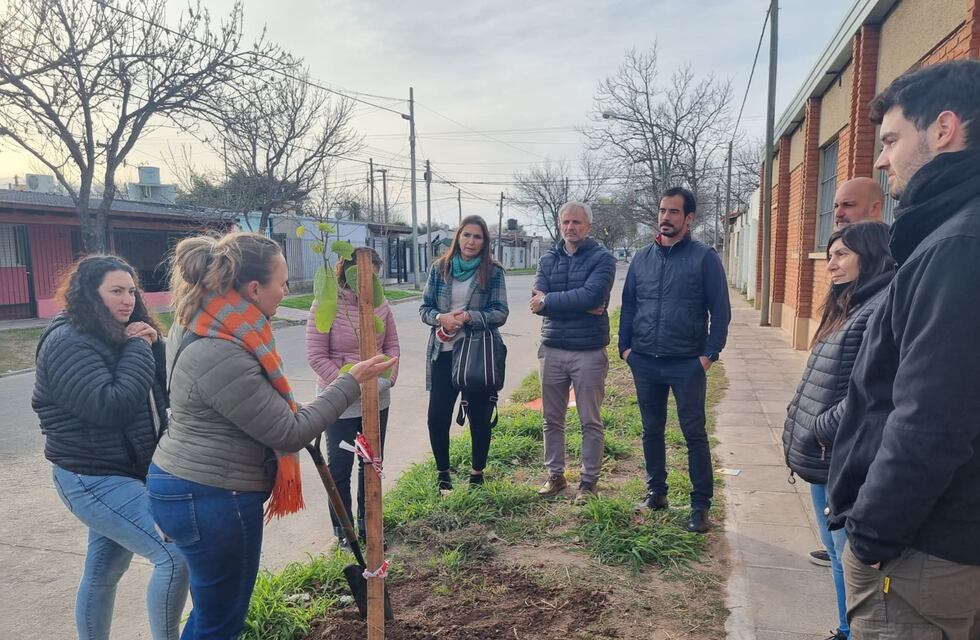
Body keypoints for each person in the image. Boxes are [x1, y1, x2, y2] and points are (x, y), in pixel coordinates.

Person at [147, 232, 394, 639]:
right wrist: (350, 382)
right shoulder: (221, 348)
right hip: (212, 496)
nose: (286, 290)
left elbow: (255, 408)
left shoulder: (211, 321)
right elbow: (288, 432)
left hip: (193, 487)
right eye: (282, 282)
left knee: (213, 611)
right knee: (220, 620)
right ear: (253, 288)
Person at [827, 60, 980, 638]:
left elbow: (931, 420)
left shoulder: (957, 246)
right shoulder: (950, 232)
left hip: (922, 553)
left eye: (891, 140)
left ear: (943, 130)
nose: (881, 159)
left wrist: (871, 536)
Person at [32, 255, 189, 640]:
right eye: (116, 291)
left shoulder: (118, 334)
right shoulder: (68, 342)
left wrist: (153, 346)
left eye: (132, 291)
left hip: (126, 473)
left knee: (104, 573)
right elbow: (111, 407)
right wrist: (138, 348)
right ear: (90, 294)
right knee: (174, 557)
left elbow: (164, 392)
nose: (128, 300)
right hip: (90, 478)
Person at [782, 221, 895, 640]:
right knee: (834, 552)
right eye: (829, 255)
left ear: (872, 255)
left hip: (843, 456)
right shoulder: (849, 303)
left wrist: (821, 428)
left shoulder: (881, 306)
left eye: (842, 254)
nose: (830, 265)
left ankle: (857, 631)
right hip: (825, 455)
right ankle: (846, 629)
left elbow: (873, 390)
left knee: (851, 557)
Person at [619, 187, 730, 533]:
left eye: (674, 212)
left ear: (689, 218)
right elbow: (629, 305)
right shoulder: (641, 258)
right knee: (651, 429)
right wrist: (625, 349)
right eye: (662, 211)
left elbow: (721, 311)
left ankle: (700, 505)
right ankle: (657, 492)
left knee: (693, 432)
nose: (666, 217)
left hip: (686, 363)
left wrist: (708, 355)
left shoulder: (704, 258)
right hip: (645, 360)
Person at [306, 247, 400, 546]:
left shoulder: (380, 305)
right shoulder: (327, 304)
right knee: (340, 467)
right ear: (346, 271)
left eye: (374, 275)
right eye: (363, 274)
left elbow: (392, 348)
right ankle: (345, 533)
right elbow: (316, 356)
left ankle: (369, 527)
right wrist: (350, 385)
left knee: (371, 464)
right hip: (339, 402)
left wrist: (384, 382)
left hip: (376, 399)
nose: (368, 281)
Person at [531, 201, 617, 503]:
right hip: (552, 349)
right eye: (566, 222)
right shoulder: (547, 259)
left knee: (589, 420)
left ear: (588, 227)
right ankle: (555, 476)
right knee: (551, 419)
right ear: (559, 225)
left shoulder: (603, 259)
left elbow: (593, 296)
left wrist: (551, 302)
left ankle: (588, 482)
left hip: (588, 351)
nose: (570, 227)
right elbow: (536, 302)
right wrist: (576, 303)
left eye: (577, 222)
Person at [420, 215, 508, 493]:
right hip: (443, 352)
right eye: (466, 235)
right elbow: (425, 308)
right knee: (437, 418)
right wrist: (440, 318)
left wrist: (471, 317)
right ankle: (443, 475)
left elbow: (500, 312)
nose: (471, 241)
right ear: (458, 237)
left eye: (477, 236)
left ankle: (476, 475)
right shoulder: (440, 268)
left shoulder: (492, 271)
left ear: (484, 242)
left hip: (477, 355)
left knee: (479, 418)